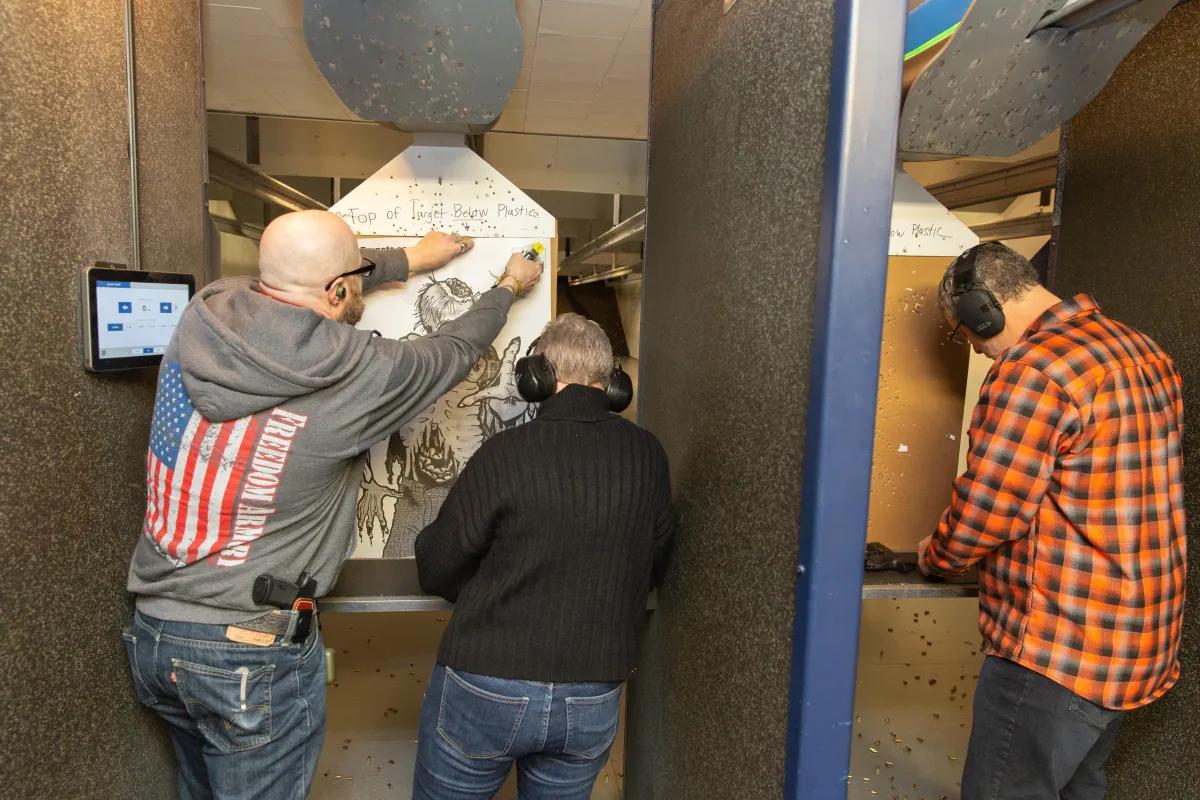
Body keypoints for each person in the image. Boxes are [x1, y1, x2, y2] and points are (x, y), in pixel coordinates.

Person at [122, 209, 543, 800]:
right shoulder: (359, 372)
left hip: (156, 631)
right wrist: (506, 287)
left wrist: (408, 261)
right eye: (358, 275)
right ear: (340, 289)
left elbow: (304, 279)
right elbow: (453, 349)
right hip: (247, 653)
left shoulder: (209, 312)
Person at [918, 242, 1186, 799]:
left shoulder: (1033, 371)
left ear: (981, 311)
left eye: (967, 334)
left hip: (1058, 649)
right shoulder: (1140, 348)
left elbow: (986, 513)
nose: (977, 351)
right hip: (1133, 640)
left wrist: (935, 556)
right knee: (1076, 789)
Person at [411, 313, 676, 800]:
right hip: (593, 690)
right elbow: (654, 559)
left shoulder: (505, 453)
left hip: (487, 680)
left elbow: (437, 565)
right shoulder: (648, 454)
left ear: (538, 379)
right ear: (612, 383)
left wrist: (486, 583)